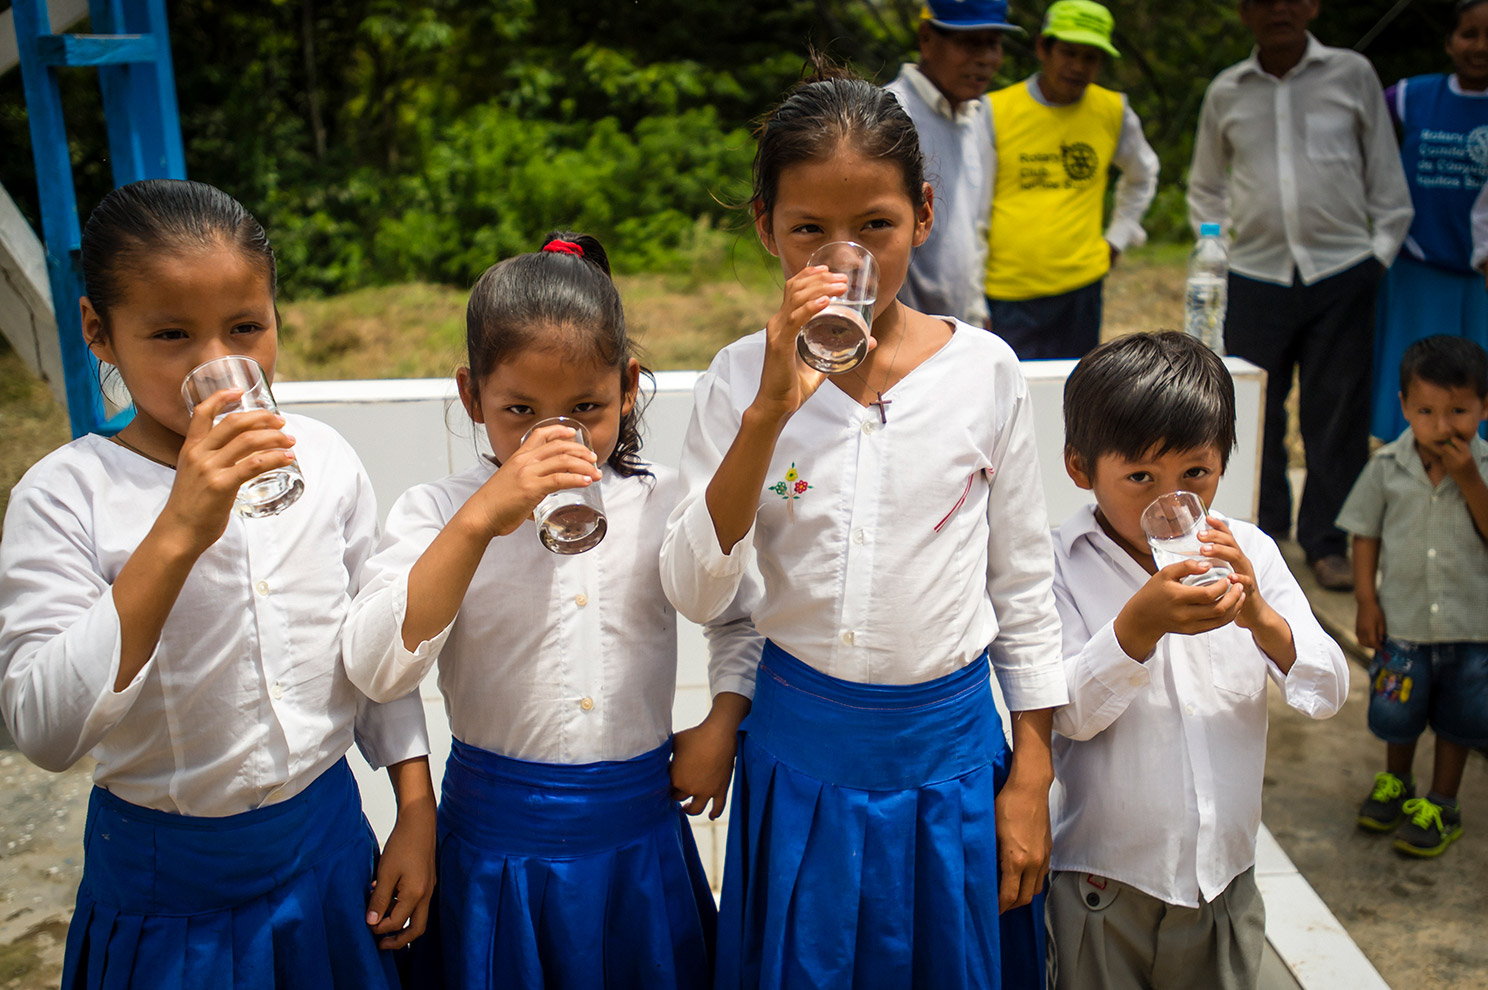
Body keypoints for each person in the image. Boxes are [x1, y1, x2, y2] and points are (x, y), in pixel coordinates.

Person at [660, 69, 1067, 989]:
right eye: (809, 230)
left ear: (923, 213)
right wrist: (770, 413)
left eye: (875, 226)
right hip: (800, 760)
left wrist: (1031, 779)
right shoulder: (737, 382)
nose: (845, 258)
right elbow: (697, 590)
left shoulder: (985, 374)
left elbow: (1025, 591)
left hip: (951, 770)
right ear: (766, 226)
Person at [0, 179, 435, 989]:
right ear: (99, 330)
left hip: (330, 855)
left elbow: (370, 648)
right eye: (170, 334)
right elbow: (44, 728)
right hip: (168, 894)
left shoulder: (325, 459)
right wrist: (179, 530)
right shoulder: (65, 494)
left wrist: (414, 808)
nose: (218, 367)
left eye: (245, 327)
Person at [340, 232, 758, 988]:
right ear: (471, 397)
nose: (556, 435)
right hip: (494, 850)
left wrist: (724, 717)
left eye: (586, 409)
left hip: (639, 839)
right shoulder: (437, 512)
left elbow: (735, 613)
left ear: (628, 387)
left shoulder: (661, 498)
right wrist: (476, 524)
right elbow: (375, 665)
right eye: (521, 410)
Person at [1047, 330, 1347, 990]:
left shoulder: (1250, 553)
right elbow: (1067, 714)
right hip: (1105, 886)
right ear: (1079, 467)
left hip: (1226, 887)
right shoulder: (1056, 566)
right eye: (1138, 478)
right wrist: (1135, 630)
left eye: (1195, 474)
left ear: (1222, 466)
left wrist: (1261, 615)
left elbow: (1327, 689)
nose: (1167, 499)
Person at [1187, 0, 1414, 592]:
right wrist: (1218, 254)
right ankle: (1260, 530)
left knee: (1337, 412)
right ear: (1243, 12)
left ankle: (1327, 540)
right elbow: (1206, 186)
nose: (1279, 9)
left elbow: (1387, 179)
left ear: (1314, 4)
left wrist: (1378, 257)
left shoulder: (1352, 74)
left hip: (1343, 272)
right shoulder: (1227, 91)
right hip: (1255, 275)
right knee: (1250, 407)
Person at [1338, 335, 1488, 859]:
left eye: (1459, 411)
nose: (1442, 426)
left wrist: (1469, 477)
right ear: (1403, 407)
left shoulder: (1483, 468)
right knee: (1398, 713)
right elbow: (1365, 534)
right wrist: (1365, 601)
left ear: (1484, 407)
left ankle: (1442, 803)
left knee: (1460, 719)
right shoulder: (1386, 468)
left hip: (1473, 628)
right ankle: (1396, 782)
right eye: (1425, 410)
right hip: (1402, 624)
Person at [983, 0, 1159, 359]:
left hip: (1081, 289)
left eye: (1091, 57)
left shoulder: (1112, 109)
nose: (1078, 67)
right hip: (1007, 293)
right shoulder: (996, 110)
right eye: (1068, 53)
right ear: (1043, 48)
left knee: (1074, 400)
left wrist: (1118, 238)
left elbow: (1143, 173)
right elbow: (973, 208)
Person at [1371, 0, 1488, 443]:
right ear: (1448, 42)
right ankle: (1407, 480)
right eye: (1469, 34)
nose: (1480, 47)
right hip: (1419, 266)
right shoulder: (1411, 96)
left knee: (1476, 390)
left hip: (1482, 279)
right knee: (1413, 385)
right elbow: (1357, 128)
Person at [885, 0, 1020, 327]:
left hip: (956, 333)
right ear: (927, 39)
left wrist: (976, 314)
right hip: (897, 335)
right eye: (970, 43)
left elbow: (975, 226)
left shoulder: (975, 117)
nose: (986, 59)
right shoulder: (888, 115)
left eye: (993, 44)